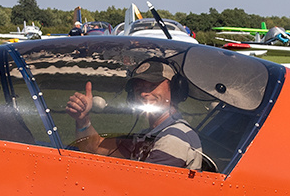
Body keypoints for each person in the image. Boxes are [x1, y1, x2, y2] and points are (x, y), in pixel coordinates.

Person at [65, 59, 202, 169]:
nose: (143, 93)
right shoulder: (148, 135)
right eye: (139, 88)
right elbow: (95, 148)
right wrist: (83, 119)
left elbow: (143, 190)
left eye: (152, 85)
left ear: (174, 89)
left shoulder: (175, 137)